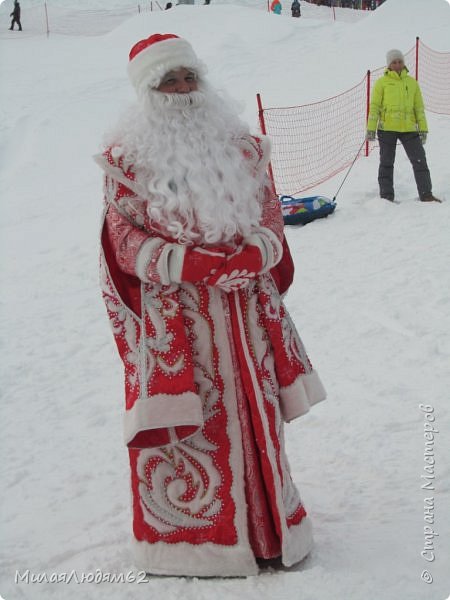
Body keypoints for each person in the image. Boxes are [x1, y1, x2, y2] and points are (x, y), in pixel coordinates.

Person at [95, 33, 326, 577]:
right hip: (180, 321)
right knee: (195, 430)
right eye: (167, 80)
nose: (181, 88)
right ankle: (196, 541)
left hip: (246, 316)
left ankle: (271, 532)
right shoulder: (126, 162)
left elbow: (270, 215)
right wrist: (185, 264)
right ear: (147, 93)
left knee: (259, 414)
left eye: (187, 77)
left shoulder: (242, 146)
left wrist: (255, 251)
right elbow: (120, 239)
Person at [366, 49, 441, 203]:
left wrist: (423, 128)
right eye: (394, 62)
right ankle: (386, 197)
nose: (398, 65)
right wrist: (371, 128)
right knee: (386, 162)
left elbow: (418, 107)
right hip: (387, 128)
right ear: (389, 65)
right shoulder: (382, 83)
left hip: (409, 128)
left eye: (400, 61)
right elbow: (374, 106)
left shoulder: (412, 83)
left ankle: (426, 194)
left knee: (420, 160)